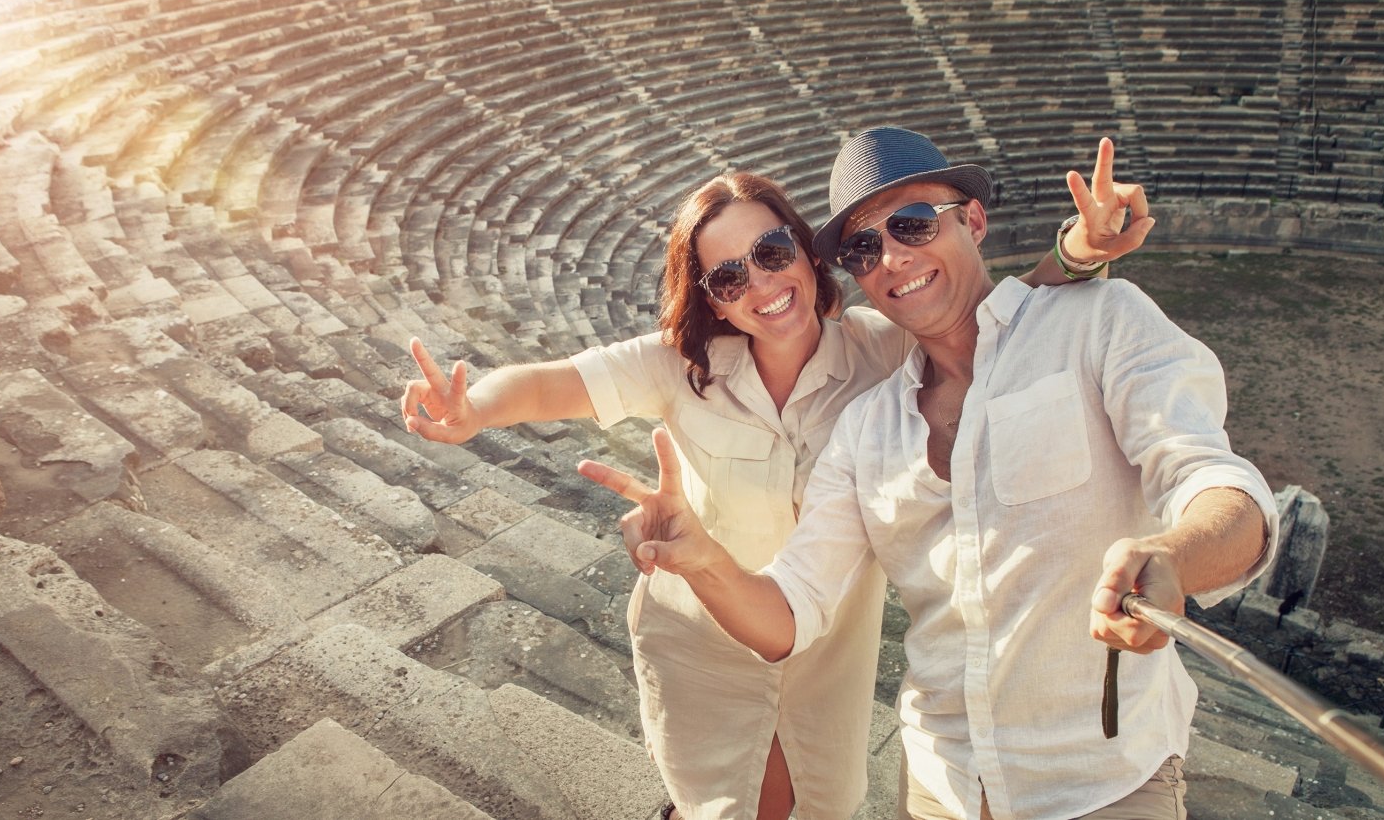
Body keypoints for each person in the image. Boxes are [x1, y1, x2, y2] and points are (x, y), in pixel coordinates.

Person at [402, 138, 1152, 820]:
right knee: (727, 804)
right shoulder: (679, 363)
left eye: (770, 251)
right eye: (727, 276)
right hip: (700, 634)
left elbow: (991, 322)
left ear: (803, 246)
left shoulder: (880, 350)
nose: (759, 283)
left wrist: (1079, 253)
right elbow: (548, 386)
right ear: (708, 297)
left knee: (812, 802)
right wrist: (472, 408)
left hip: (825, 641)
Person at [579, 126, 1279, 820]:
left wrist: (1175, 555)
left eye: (913, 224)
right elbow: (789, 613)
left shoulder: (1099, 324)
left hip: (1101, 783)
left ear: (972, 220)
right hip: (938, 786)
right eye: (863, 246)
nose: (891, 256)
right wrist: (704, 561)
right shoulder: (866, 429)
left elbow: (1214, 483)